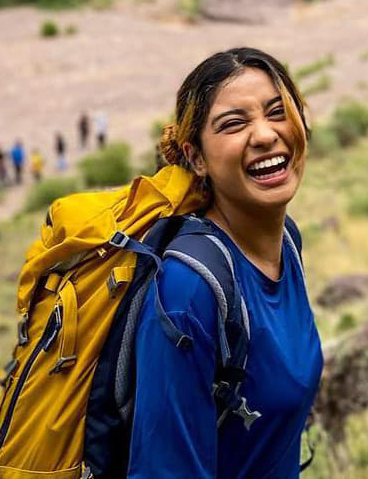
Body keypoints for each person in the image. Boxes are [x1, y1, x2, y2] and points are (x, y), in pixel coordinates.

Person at [128, 48, 324, 478]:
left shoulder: (287, 242)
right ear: (195, 157)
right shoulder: (188, 289)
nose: (265, 134)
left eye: (278, 112)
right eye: (233, 124)